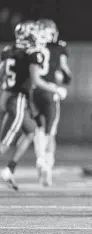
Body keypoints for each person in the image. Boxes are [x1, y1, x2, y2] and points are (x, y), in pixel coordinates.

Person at [0, 20, 67, 190]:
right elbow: (35, 80)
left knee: (31, 132)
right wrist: (54, 88)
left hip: (9, 96)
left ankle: (10, 169)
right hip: (18, 99)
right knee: (4, 142)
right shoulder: (31, 53)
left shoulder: (8, 51)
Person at [32, 19, 72, 186]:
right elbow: (65, 73)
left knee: (38, 130)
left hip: (32, 91)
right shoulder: (58, 47)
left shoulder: (32, 46)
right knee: (50, 132)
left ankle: (41, 159)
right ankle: (47, 164)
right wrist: (62, 78)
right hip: (50, 92)